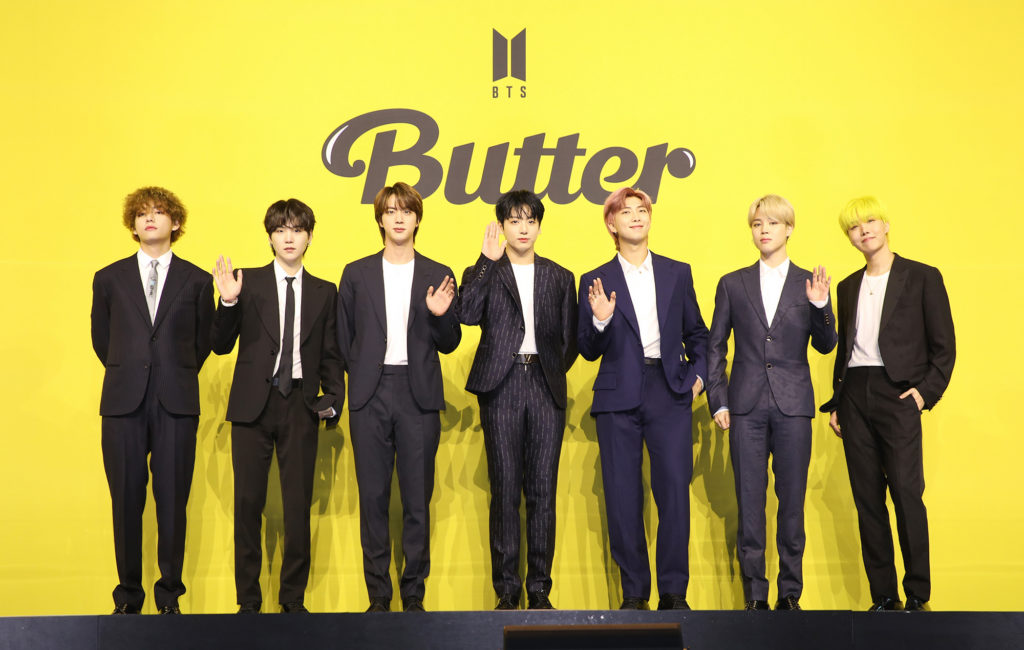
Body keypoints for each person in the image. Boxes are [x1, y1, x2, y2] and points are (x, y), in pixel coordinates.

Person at [211, 198, 344, 614]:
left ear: (309, 237)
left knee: (297, 507)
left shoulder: (325, 291)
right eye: (281, 230)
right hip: (253, 405)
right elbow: (220, 344)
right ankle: (248, 601)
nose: (289, 238)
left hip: (300, 403)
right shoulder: (245, 281)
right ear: (269, 236)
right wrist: (228, 302)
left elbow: (331, 354)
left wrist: (332, 401)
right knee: (247, 504)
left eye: (297, 230)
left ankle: (292, 600)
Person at [821, 196, 955, 612]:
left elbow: (944, 346)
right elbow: (845, 349)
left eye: (870, 221)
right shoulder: (847, 286)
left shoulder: (922, 276)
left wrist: (924, 393)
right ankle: (883, 595)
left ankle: (917, 593)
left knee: (906, 493)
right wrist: (838, 401)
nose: (864, 230)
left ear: (886, 224)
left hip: (898, 392)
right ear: (849, 237)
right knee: (867, 499)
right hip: (855, 393)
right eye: (854, 226)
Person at [577, 187, 708, 610]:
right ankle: (634, 593)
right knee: (622, 496)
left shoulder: (677, 272)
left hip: (669, 390)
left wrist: (697, 379)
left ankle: (673, 593)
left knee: (674, 493)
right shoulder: (595, 279)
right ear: (611, 224)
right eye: (625, 212)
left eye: (642, 210)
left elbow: (698, 334)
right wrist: (599, 322)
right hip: (618, 395)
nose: (636, 216)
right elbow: (587, 348)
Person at [706, 194, 837, 611]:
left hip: (793, 405)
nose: (764, 230)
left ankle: (790, 593)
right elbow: (715, 346)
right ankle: (755, 595)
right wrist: (718, 399)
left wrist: (821, 305)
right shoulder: (732, 283)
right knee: (749, 502)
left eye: (773, 223)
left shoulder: (809, 282)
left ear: (789, 229)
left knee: (792, 503)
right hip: (744, 406)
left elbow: (826, 343)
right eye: (757, 224)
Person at [337, 182, 461, 613]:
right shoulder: (356, 273)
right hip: (369, 394)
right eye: (390, 211)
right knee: (372, 499)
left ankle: (413, 594)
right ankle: (378, 596)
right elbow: (343, 339)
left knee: (416, 501)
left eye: (406, 211)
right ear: (380, 219)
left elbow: (450, 341)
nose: (398, 218)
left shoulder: (438, 273)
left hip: (418, 394)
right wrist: (359, 382)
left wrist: (440, 315)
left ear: (417, 218)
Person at [91, 186, 214, 614]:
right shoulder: (108, 278)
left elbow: (202, 343)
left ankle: (169, 596)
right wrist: (132, 369)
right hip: (122, 404)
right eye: (141, 213)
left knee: (173, 501)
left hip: (175, 402)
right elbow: (102, 340)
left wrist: (171, 373)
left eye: (159, 212)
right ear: (132, 223)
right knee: (125, 501)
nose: (149, 218)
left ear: (175, 222)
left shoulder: (197, 280)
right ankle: (128, 596)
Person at [456, 190, 578, 610]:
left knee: (543, 491)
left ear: (539, 226)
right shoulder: (486, 269)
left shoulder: (559, 276)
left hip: (545, 385)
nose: (523, 229)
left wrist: (548, 370)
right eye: (514, 221)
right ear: (502, 226)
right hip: (501, 386)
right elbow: (465, 313)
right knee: (505, 490)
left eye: (530, 221)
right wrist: (485, 262)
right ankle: (506, 591)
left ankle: (539, 589)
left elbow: (569, 341)